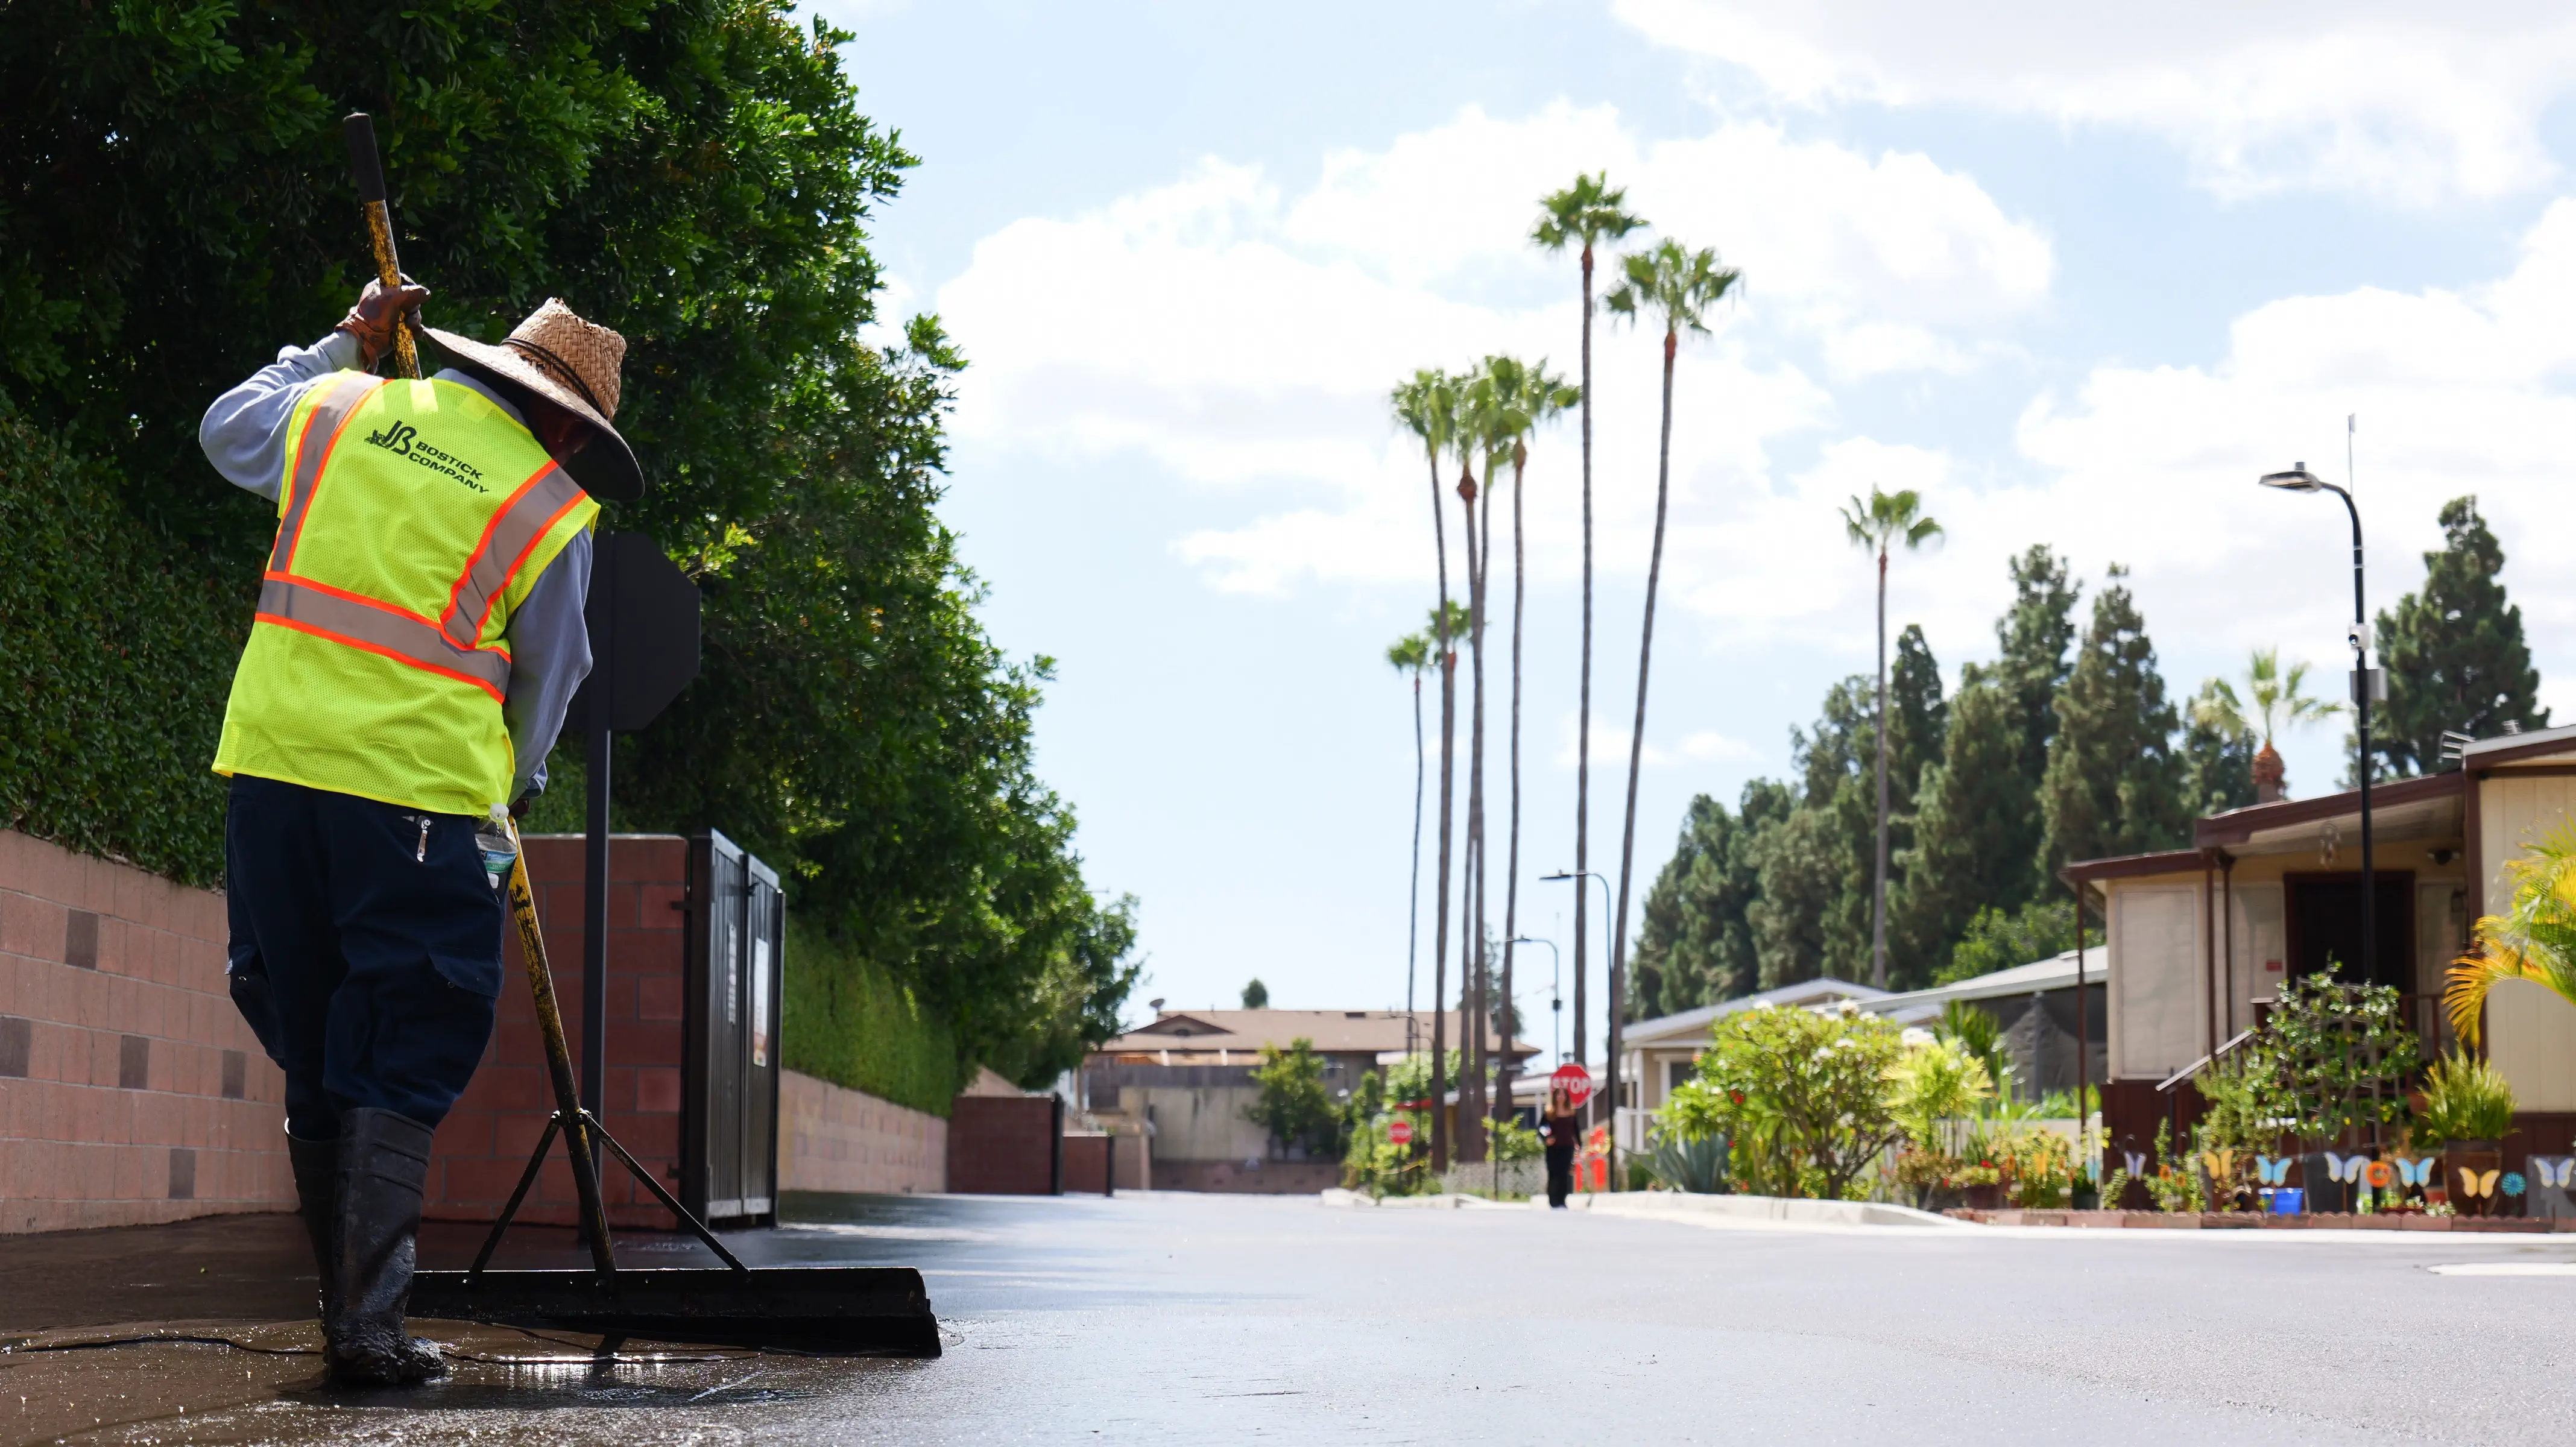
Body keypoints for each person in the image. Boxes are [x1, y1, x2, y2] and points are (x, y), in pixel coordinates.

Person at [200, 280, 643, 1384]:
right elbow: (554, 676)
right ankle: (366, 1330)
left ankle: (345, 1312)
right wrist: (522, 780)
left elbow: (225, 428)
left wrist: (343, 339)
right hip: (422, 802)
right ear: (563, 420)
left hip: (272, 771)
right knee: (411, 1032)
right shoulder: (547, 505)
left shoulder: (342, 407)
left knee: (310, 1029)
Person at [1541, 1084, 1583, 1208]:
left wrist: (1579, 1144)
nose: (1561, 1097)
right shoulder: (1549, 1113)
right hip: (1553, 1148)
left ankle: (1562, 1200)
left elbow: (1576, 1130)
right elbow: (1542, 1128)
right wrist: (1546, 1138)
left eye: (1563, 1094)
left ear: (1567, 1097)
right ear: (1554, 1097)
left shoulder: (1571, 1113)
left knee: (1564, 1174)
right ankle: (1553, 1200)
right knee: (1553, 1173)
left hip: (1567, 1146)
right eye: (1558, 1094)